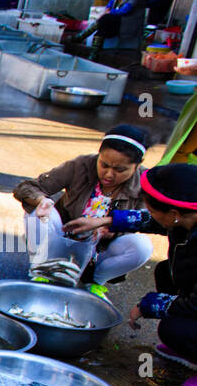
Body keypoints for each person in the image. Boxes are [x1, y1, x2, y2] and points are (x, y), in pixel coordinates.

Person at [70, 164, 197, 386]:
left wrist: (146, 305)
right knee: (164, 271)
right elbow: (154, 220)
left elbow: (195, 304)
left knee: (173, 328)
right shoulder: (185, 218)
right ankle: (188, 350)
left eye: (153, 207)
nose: (151, 212)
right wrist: (104, 221)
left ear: (175, 215)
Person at [15, 125, 153, 293]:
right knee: (37, 215)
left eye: (119, 170)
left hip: (100, 251)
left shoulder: (144, 183)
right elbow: (27, 187)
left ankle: (95, 281)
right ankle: (44, 269)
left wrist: (113, 231)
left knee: (142, 246)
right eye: (104, 164)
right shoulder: (81, 165)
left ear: (137, 165)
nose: (108, 174)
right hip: (63, 240)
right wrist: (42, 200)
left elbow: (144, 219)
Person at [76, 0, 146, 49]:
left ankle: (81, 37)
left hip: (128, 22)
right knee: (101, 31)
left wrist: (109, 12)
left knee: (105, 18)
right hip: (116, 19)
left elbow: (126, 10)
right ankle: (93, 53)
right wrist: (108, 8)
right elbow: (112, 1)